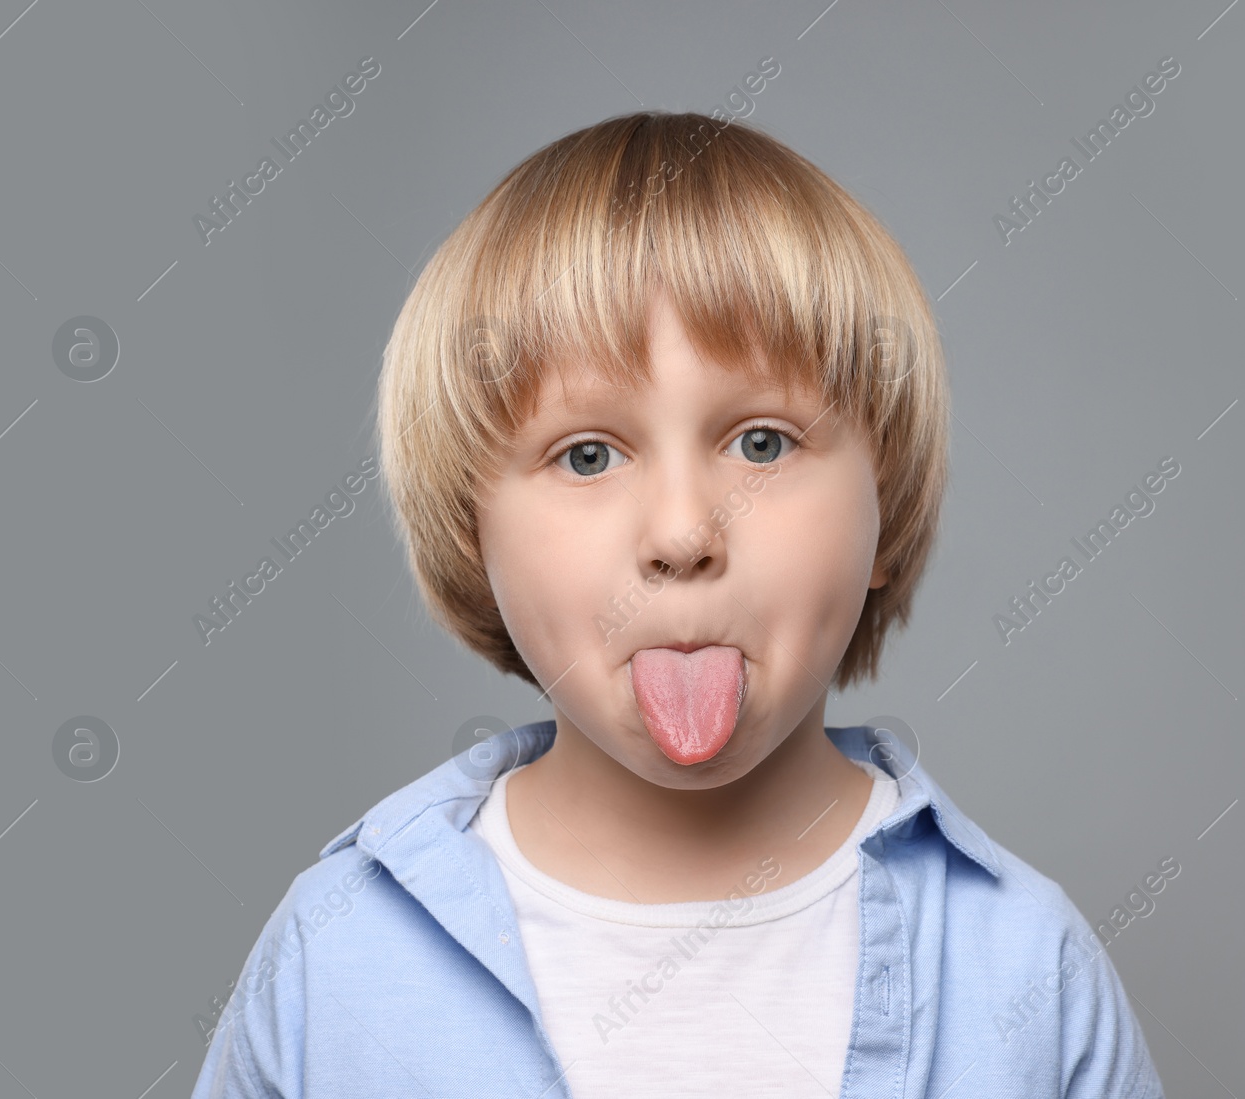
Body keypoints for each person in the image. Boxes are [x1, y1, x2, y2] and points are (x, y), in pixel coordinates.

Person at [191, 109, 1165, 1098]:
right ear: (471, 536)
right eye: (586, 455)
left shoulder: (1029, 972)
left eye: (761, 443)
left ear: (887, 513)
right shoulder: (334, 957)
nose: (682, 534)